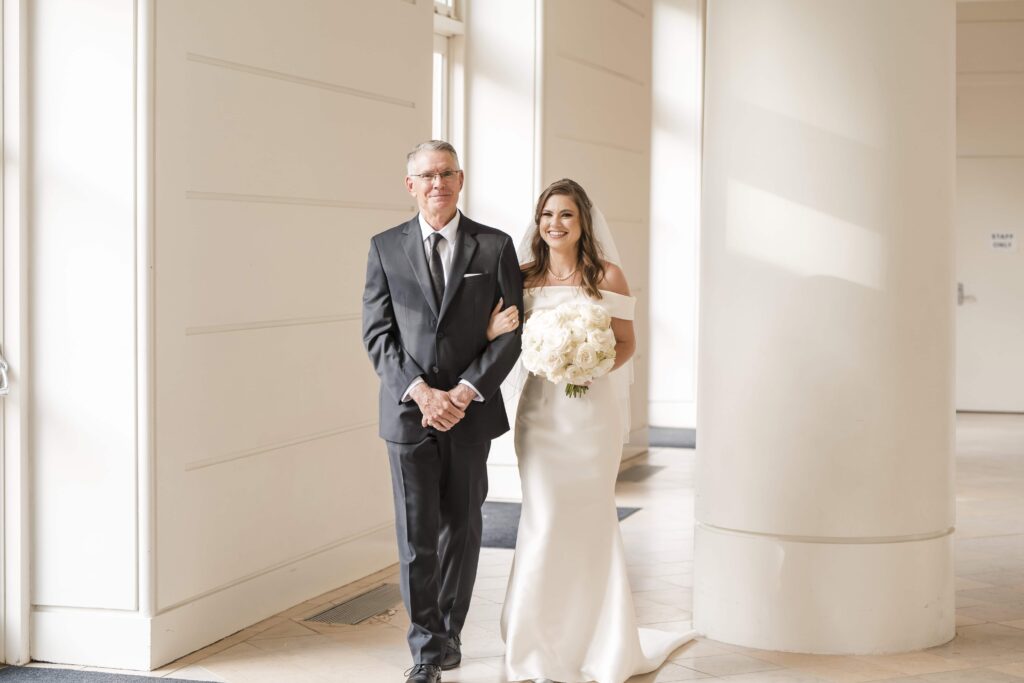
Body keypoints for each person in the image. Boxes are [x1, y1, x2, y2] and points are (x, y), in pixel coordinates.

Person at [486, 179, 695, 683]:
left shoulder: (608, 276)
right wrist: (498, 333)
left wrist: (591, 364)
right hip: (541, 415)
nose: (554, 224)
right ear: (537, 223)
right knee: (543, 517)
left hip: (591, 416)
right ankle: (533, 645)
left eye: (566, 216)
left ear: (583, 224)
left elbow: (626, 343)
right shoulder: (521, 277)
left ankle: (601, 641)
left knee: (591, 518)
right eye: (547, 215)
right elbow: (499, 335)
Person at [362, 140, 523, 683]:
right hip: (409, 416)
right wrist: (423, 393)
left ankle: (451, 629)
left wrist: (464, 391)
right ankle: (426, 650)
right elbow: (378, 333)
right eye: (427, 176)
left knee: (464, 524)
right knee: (416, 535)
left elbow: (510, 333)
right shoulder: (384, 247)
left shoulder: (494, 246)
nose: (437, 183)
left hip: (470, 413)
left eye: (447, 173)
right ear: (411, 186)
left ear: (461, 179)